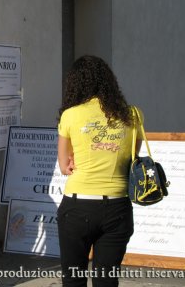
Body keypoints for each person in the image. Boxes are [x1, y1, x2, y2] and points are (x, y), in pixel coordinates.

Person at [57, 55, 143, 287]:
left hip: (77, 206)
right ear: (109, 81)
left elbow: (65, 166)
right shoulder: (132, 115)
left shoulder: (71, 115)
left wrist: (76, 159)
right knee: (107, 281)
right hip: (117, 207)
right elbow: (132, 160)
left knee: (73, 280)